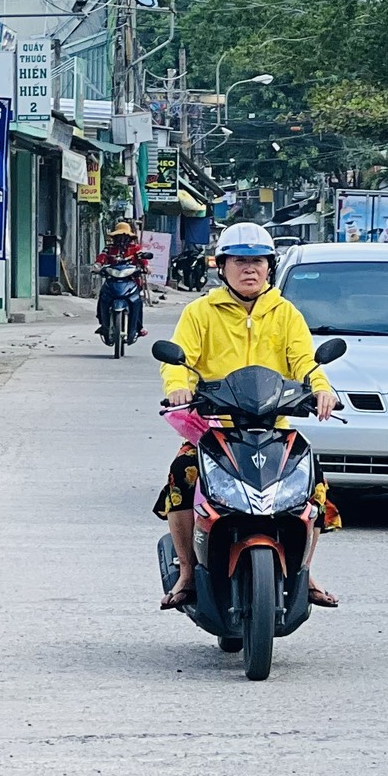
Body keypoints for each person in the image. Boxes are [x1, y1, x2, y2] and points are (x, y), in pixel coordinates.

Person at [156, 221, 342, 610]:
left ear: (270, 266)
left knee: (315, 487)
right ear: (222, 266)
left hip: (274, 427)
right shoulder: (200, 312)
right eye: (240, 261)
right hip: (216, 427)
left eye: (258, 261)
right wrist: (179, 385)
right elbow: (180, 360)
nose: (249, 269)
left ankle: (304, 572)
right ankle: (188, 574)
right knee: (182, 477)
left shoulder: (286, 313)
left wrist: (322, 388)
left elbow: (305, 362)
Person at [104, 220, 150, 336]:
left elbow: (142, 259)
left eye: (124, 236)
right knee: (103, 297)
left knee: (137, 302)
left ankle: (138, 326)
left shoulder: (135, 248)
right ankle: (103, 323)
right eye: (119, 236)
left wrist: (146, 267)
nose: (122, 239)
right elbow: (102, 257)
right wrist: (97, 266)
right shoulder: (110, 248)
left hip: (131, 280)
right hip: (113, 279)